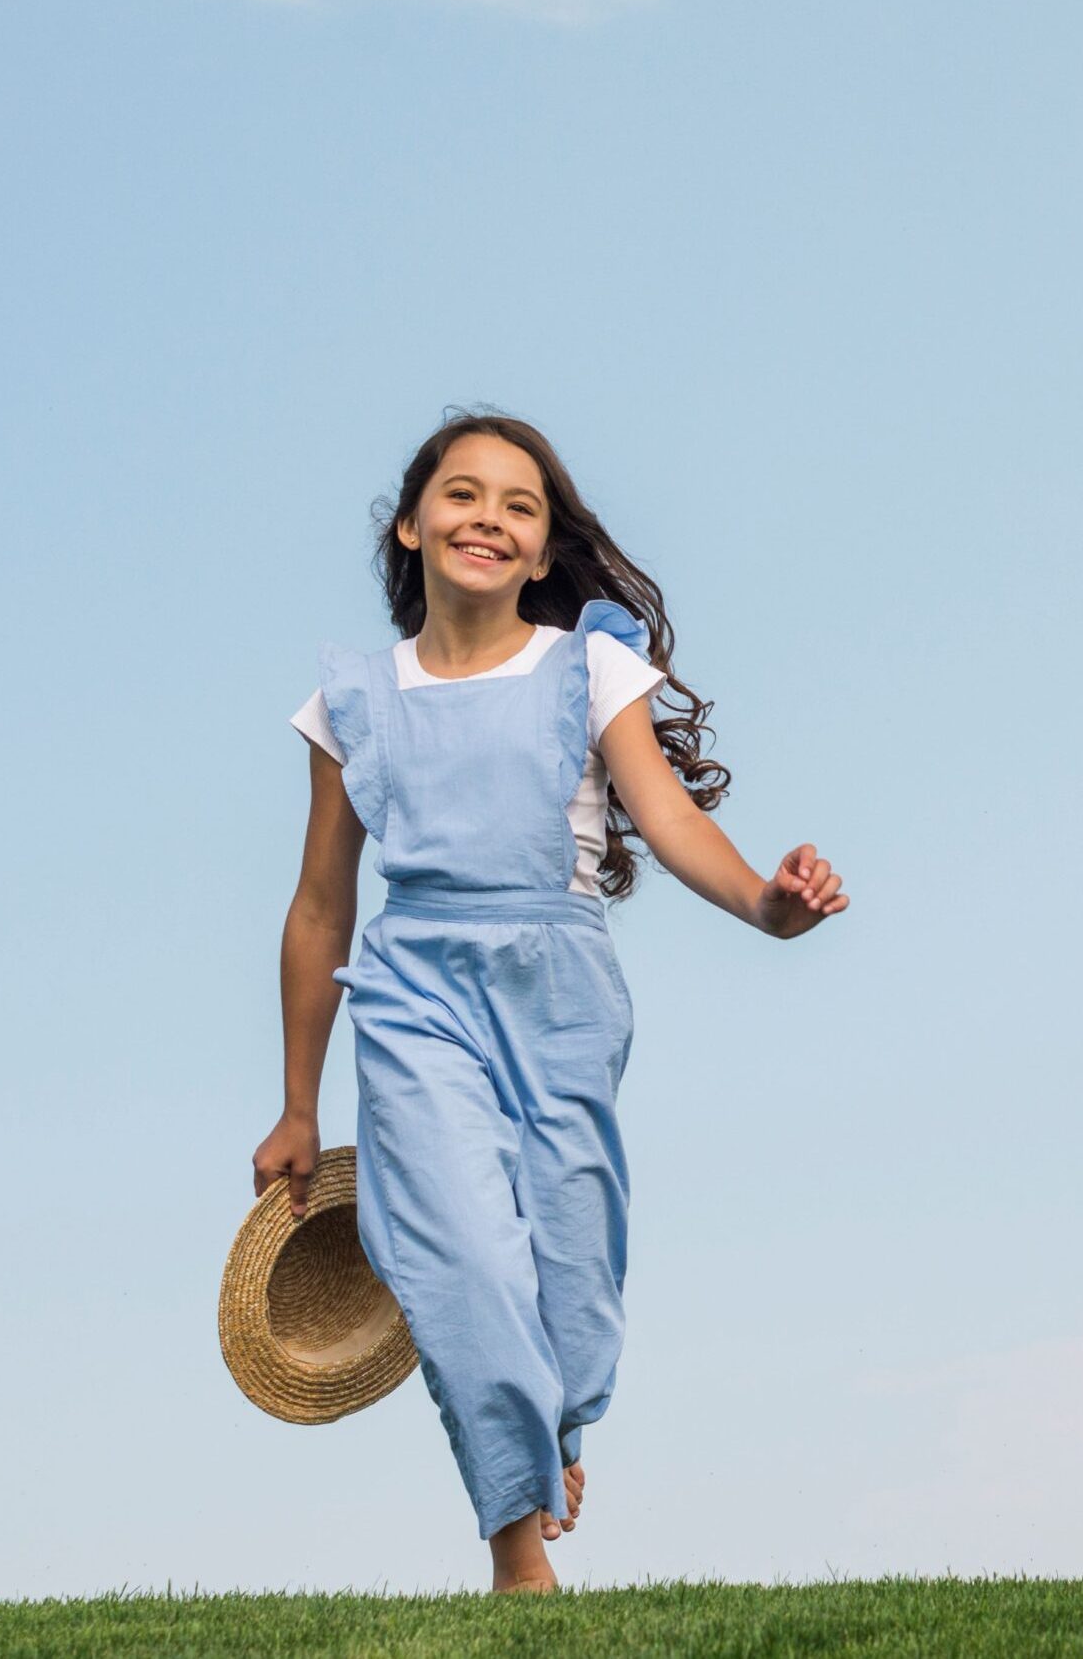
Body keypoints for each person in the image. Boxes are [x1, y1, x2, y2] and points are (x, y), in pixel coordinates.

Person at [253, 409, 849, 1594]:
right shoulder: (352, 705)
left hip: (558, 994)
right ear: (414, 525)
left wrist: (765, 906)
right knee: (460, 1259)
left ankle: (551, 1420)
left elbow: (670, 820)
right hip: (415, 993)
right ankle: (516, 1550)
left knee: (570, 1278)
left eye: (519, 507)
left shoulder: (589, 666)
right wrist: (295, 1106)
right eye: (463, 495)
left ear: (539, 553)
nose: (489, 517)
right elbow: (321, 908)